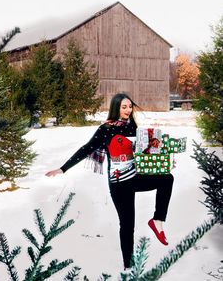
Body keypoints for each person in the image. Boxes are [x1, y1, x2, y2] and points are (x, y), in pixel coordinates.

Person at [45, 93, 174, 269]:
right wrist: (63, 168)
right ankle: (128, 267)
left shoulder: (133, 127)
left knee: (166, 179)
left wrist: (161, 158)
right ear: (116, 108)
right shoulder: (107, 129)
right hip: (119, 183)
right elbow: (86, 149)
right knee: (128, 225)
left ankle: (157, 220)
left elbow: (141, 153)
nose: (128, 110)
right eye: (124, 107)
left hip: (135, 176)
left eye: (130, 106)